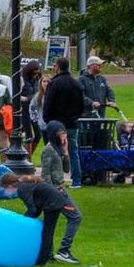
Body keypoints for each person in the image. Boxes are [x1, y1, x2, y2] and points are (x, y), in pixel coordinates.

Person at [0, 172, 82, 265]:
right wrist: (26, 219)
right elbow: (36, 208)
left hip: (53, 203)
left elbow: (32, 209)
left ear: (9, 186)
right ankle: (49, 256)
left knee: (47, 233)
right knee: (47, 231)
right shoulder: (25, 185)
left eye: (4, 189)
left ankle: (42, 260)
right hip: (54, 200)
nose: (5, 192)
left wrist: (23, 222)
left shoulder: (21, 189)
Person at [43, 57, 86, 188]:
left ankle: (54, 179)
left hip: (56, 123)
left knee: (53, 152)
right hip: (72, 123)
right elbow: (81, 105)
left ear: (57, 67)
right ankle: (77, 180)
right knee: (73, 151)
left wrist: (48, 120)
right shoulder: (76, 83)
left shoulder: (54, 83)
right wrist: (75, 117)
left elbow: (48, 103)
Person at [19, 61, 43, 157]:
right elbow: (17, 94)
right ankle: (27, 157)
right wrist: (29, 98)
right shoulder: (22, 79)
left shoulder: (37, 80)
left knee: (38, 134)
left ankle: (28, 155)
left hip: (34, 110)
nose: (35, 75)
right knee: (28, 135)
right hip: (24, 109)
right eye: (34, 73)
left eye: (37, 73)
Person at [40, 121, 70, 188]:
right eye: (62, 133)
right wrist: (50, 190)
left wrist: (65, 152)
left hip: (60, 185)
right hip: (54, 187)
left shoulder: (59, 147)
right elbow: (45, 173)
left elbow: (67, 169)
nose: (64, 136)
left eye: (65, 133)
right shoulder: (49, 149)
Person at [29, 76, 52, 158]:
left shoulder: (54, 94)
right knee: (47, 145)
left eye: (48, 81)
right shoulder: (38, 96)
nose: (46, 83)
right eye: (44, 81)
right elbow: (31, 108)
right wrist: (35, 119)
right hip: (43, 125)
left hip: (53, 124)